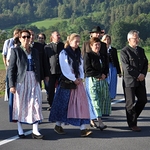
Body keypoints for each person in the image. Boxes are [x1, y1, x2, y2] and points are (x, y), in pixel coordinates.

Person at [49, 33, 92, 137]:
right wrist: (73, 79)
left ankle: (82, 128)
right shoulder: (64, 53)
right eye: (76, 41)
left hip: (77, 81)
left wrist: (80, 77)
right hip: (67, 82)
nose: (78, 44)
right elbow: (65, 68)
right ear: (70, 41)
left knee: (80, 105)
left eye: (79, 41)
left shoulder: (78, 53)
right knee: (64, 104)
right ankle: (58, 125)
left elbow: (81, 66)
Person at [8, 29, 44, 139]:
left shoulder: (35, 51)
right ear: (19, 39)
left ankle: (35, 130)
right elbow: (11, 69)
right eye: (24, 37)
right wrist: (11, 85)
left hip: (33, 79)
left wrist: (41, 79)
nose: (26, 39)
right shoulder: (15, 51)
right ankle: (20, 129)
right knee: (20, 104)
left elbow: (39, 66)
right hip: (21, 80)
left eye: (28, 37)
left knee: (36, 103)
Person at [120, 30, 148, 132]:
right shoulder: (124, 51)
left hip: (140, 81)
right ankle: (132, 123)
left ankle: (133, 116)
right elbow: (127, 67)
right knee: (130, 103)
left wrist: (143, 74)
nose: (137, 40)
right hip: (130, 81)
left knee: (143, 100)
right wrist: (137, 75)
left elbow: (145, 63)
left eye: (138, 38)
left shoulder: (141, 50)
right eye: (135, 38)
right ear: (129, 40)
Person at [84, 37, 111, 130]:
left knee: (101, 99)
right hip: (92, 81)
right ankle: (100, 122)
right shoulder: (88, 55)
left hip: (102, 81)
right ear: (91, 46)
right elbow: (87, 70)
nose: (98, 46)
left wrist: (104, 75)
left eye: (99, 44)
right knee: (94, 100)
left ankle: (92, 119)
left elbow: (106, 67)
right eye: (96, 45)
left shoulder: (102, 56)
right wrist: (99, 75)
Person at [44, 31, 64, 110]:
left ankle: (60, 104)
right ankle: (51, 104)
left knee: (61, 88)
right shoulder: (47, 47)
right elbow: (45, 61)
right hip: (51, 71)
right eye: (57, 35)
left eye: (59, 35)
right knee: (51, 89)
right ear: (52, 36)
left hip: (61, 71)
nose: (59, 36)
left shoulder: (62, 45)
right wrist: (46, 74)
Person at [2, 29, 21, 101]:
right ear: (16, 34)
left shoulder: (20, 42)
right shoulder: (8, 42)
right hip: (10, 65)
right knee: (9, 81)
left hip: (18, 66)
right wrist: (6, 66)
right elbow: (4, 54)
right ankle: (10, 98)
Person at [101, 34, 121, 100]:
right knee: (106, 83)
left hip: (113, 67)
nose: (107, 41)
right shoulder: (100, 49)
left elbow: (116, 60)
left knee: (113, 83)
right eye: (105, 39)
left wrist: (119, 71)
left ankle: (111, 97)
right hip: (105, 68)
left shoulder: (113, 49)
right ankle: (105, 97)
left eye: (108, 39)